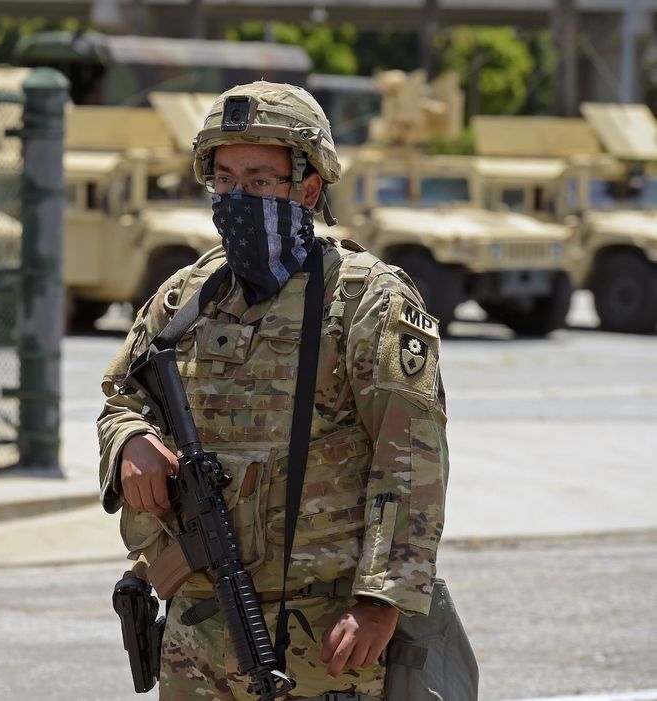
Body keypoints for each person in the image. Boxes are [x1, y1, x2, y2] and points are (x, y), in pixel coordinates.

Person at [97, 82, 448, 700]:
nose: (238, 197)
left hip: (320, 635)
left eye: (260, 180)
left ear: (307, 189)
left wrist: (381, 601)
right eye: (225, 179)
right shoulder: (188, 295)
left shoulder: (367, 299)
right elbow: (122, 393)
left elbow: (411, 460)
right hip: (195, 630)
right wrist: (131, 441)